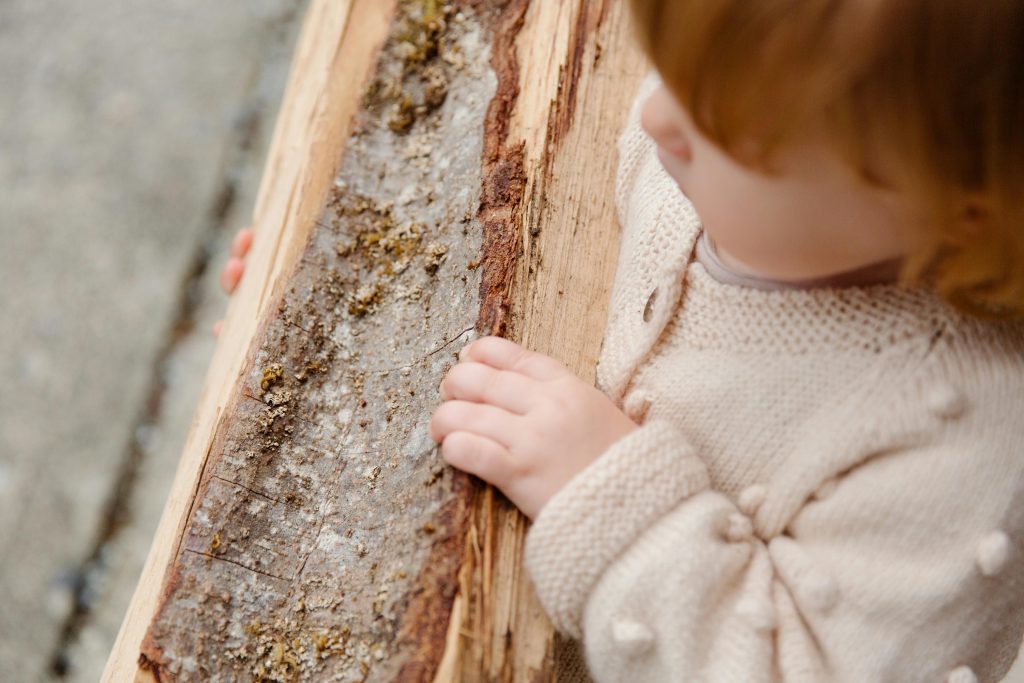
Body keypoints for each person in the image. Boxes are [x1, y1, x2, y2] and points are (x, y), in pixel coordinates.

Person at [224, 1, 1024, 680]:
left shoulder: (959, 456)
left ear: (962, 207)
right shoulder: (737, 157)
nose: (655, 116)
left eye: (728, 129)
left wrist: (615, 503)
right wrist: (339, 296)